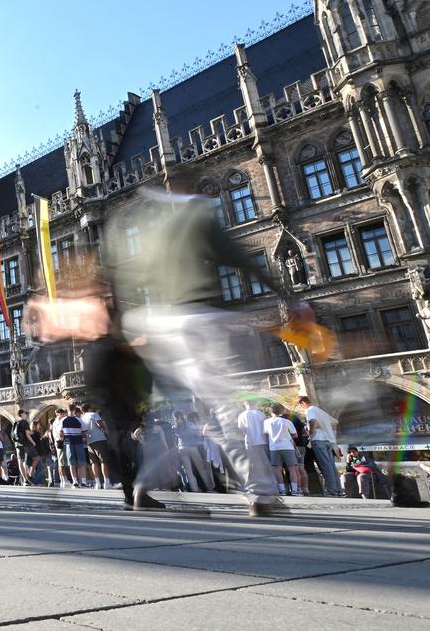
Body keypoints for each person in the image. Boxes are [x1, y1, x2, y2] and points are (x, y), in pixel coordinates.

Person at [112, 180, 286, 517]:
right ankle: (262, 496)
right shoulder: (194, 215)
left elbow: (130, 277)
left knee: (173, 409)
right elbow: (240, 257)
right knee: (225, 412)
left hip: (158, 324)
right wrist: (281, 294)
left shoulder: (149, 230)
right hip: (199, 320)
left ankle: (143, 485)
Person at [298, 396, 345, 497]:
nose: (301, 408)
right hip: (328, 440)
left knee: (325, 466)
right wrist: (323, 427)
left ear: (303, 403)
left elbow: (313, 421)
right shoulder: (319, 410)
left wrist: (310, 432)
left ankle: (331, 490)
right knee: (331, 466)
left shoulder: (310, 410)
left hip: (318, 439)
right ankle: (338, 490)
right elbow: (334, 421)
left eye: (300, 405)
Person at [264, 403, 301, 496]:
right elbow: (295, 435)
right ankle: (295, 490)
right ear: (281, 411)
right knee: (292, 469)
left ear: (271, 411)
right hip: (288, 446)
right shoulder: (287, 422)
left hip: (274, 447)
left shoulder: (266, 422)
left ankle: (282, 490)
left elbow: (265, 434)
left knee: (277, 469)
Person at [80, 403, 112, 490]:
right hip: (99, 439)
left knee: (94, 462)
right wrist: (103, 428)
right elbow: (100, 425)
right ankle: (107, 482)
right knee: (103, 461)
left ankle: (97, 483)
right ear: (89, 408)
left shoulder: (82, 418)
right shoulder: (94, 414)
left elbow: (83, 432)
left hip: (89, 441)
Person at [61, 405, 89, 487]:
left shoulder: (63, 420)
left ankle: (75, 481)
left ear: (67, 410)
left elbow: (60, 433)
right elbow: (84, 432)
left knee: (71, 462)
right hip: (78, 442)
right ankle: (83, 482)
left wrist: (67, 435)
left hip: (68, 442)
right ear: (74, 410)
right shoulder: (79, 419)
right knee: (81, 462)